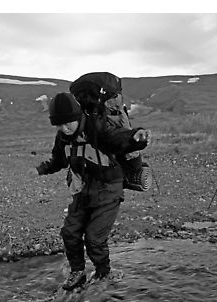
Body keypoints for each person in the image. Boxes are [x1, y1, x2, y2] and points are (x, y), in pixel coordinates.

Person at [34, 92, 150, 291]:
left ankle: (104, 274)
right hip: (82, 189)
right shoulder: (63, 137)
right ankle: (77, 273)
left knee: (94, 238)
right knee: (70, 232)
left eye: (67, 123)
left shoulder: (96, 128)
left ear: (77, 116)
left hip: (108, 189)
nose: (64, 128)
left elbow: (118, 138)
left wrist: (135, 137)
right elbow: (59, 160)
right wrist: (42, 169)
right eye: (59, 125)